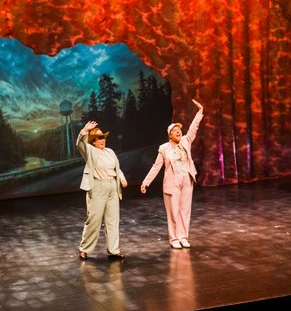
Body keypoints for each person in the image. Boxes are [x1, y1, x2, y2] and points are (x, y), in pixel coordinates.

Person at [140, 99, 204, 249]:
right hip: (172, 182)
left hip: (187, 179)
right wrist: (146, 182)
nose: (178, 132)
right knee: (173, 211)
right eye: (175, 130)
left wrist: (200, 112)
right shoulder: (164, 148)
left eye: (179, 130)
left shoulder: (186, 141)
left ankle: (183, 237)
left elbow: (193, 128)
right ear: (170, 135)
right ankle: (174, 238)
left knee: (185, 210)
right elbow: (156, 166)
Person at [77, 120, 127, 260]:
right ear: (93, 141)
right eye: (99, 138)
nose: (102, 140)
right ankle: (84, 249)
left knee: (112, 220)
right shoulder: (90, 151)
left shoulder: (110, 151)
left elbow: (117, 168)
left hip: (112, 187)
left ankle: (114, 250)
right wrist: (84, 130)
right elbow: (80, 144)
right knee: (94, 219)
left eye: (103, 137)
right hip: (98, 187)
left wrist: (121, 178)